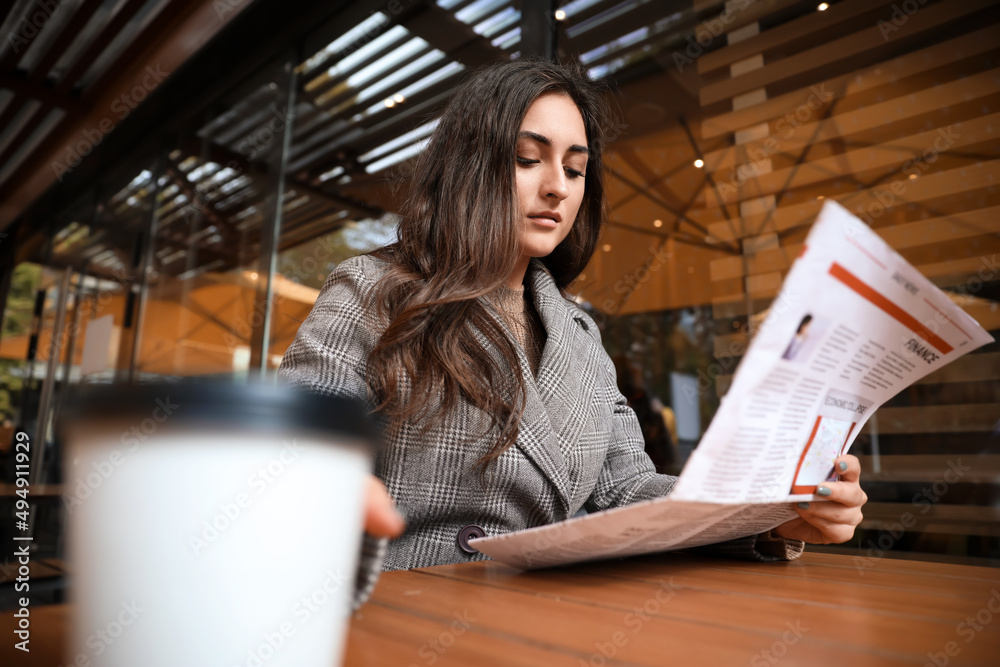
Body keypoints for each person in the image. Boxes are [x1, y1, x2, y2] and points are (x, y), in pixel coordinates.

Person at [279, 59, 866, 588]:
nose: (557, 186)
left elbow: (628, 491)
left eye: (576, 169)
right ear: (468, 167)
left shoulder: (581, 336)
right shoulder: (372, 290)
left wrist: (772, 510)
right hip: (405, 612)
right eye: (527, 159)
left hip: (558, 615)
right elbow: (285, 451)